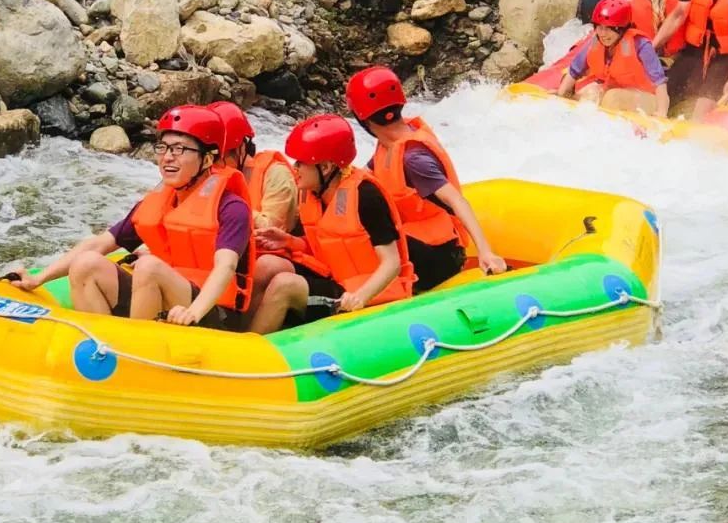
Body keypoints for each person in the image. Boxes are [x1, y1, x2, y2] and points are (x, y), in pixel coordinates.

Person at [11, 105, 254, 329]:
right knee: (86, 263)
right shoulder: (157, 202)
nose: (167, 157)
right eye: (163, 147)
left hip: (211, 310)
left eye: (179, 149)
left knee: (148, 266)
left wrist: (193, 311)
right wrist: (38, 279)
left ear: (208, 158)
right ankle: (102, 349)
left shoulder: (232, 207)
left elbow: (226, 266)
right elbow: (99, 243)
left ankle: (136, 349)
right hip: (158, 295)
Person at [249, 114, 416, 335]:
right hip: (335, 277)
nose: (295, 168)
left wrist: (360, 297)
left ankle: (252, 346)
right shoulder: (312, 194)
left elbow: (391, 263)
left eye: (301, 163)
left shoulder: (366, 196)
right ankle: (235, 332)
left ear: (326, 167)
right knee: (267, 264)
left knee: (284, 285)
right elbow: (325, 245)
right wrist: (288, 241)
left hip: (366, 292)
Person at [345, 66, 507, 289]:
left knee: (374, 242)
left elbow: (455, 199)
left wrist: (485, 251)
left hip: (441, 254)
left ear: (362, 118)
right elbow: (362, 178)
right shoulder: (391, 143)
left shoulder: (413, 159)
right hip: (419, 241)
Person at [558, 0, 669, 118]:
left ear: (621, 30)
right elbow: (574, 71)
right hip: (613, 89)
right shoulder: (596, 40)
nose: (603, 34)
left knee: (612, 98)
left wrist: (662, 112)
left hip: (647, 97)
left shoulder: (640, 44)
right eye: (599, 27)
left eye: (609, 29)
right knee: (589, 94)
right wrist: (559, 97)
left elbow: (660, 82)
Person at [209, 101, 297, 232]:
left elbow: (271, 228)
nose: (213, 165)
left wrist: (226, 207)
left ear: (241, 148)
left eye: (218, 158)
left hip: (266, 249)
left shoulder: (276, 173)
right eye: (209, 157)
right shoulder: (202, 172)